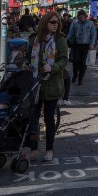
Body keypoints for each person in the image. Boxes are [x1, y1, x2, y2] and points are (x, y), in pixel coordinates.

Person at [27, 12, 68, 162]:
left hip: (52, 84)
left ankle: (49, 150)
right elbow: (27, 57)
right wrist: (25, 64)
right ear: (45, 23)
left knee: (49, 118)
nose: (55, 24)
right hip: (35, 83)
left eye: (57, 22)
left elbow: (64, 60)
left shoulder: (60, 40)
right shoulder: (34, 39)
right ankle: (33, 149)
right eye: (52, 22)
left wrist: (53, 67)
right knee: (33, 118)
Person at [66, 10, 96, 85]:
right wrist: (66, 41)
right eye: (79, 18)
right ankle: (75, 74)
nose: (81, 19)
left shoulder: (90, 23)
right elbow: (71, 33)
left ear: (85, 16)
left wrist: (92, 44)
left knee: (83, 63)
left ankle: (80, 79)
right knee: (75, 61)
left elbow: (93, 34)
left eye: (82, 17)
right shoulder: (75, 23)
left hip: (86, 46)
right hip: (77, 45)